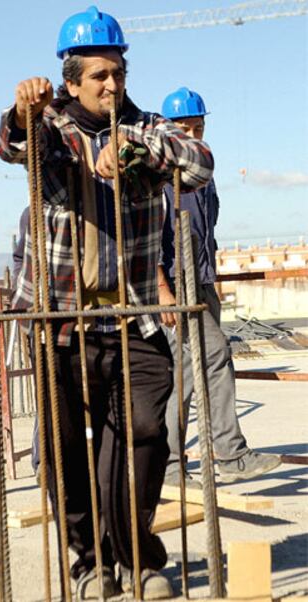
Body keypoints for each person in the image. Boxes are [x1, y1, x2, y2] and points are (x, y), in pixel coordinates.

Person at [0, 8, 214, 599]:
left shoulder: (146, 126)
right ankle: (89, 563)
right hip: (59, 320)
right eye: (99, 76)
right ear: (71, 81)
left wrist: (136, 152)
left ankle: (138, 558)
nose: (113, 85)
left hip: (135, 317)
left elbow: (198, 164)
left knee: (146, 435)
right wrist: (23, 111)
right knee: (66, 453)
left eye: (118, 72)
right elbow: (14, 146)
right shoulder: (51, 129)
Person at [158, 87, 281, 488]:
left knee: (188, 372)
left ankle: (172, 464)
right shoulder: (157, 180)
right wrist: (163, 292)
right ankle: (229, 453)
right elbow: (144, 244)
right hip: (177, 285)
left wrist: (209, 283)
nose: (193, 137)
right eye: (185, 129)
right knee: (214, 356)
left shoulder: (203, 178)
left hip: (202, 282)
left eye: (199, 127)